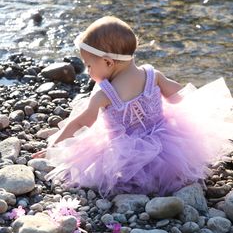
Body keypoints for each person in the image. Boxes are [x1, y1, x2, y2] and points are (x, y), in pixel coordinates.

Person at [32, 16, 233, 197]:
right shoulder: (152, 75)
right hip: (166, 142)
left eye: (89, 65)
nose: (87, 71)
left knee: (103, 167)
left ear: (108, 62)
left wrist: (56, 144)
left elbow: (81, 123)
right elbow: (178, 95)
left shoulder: (104, 95)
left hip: (125, 154)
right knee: (170, 166)